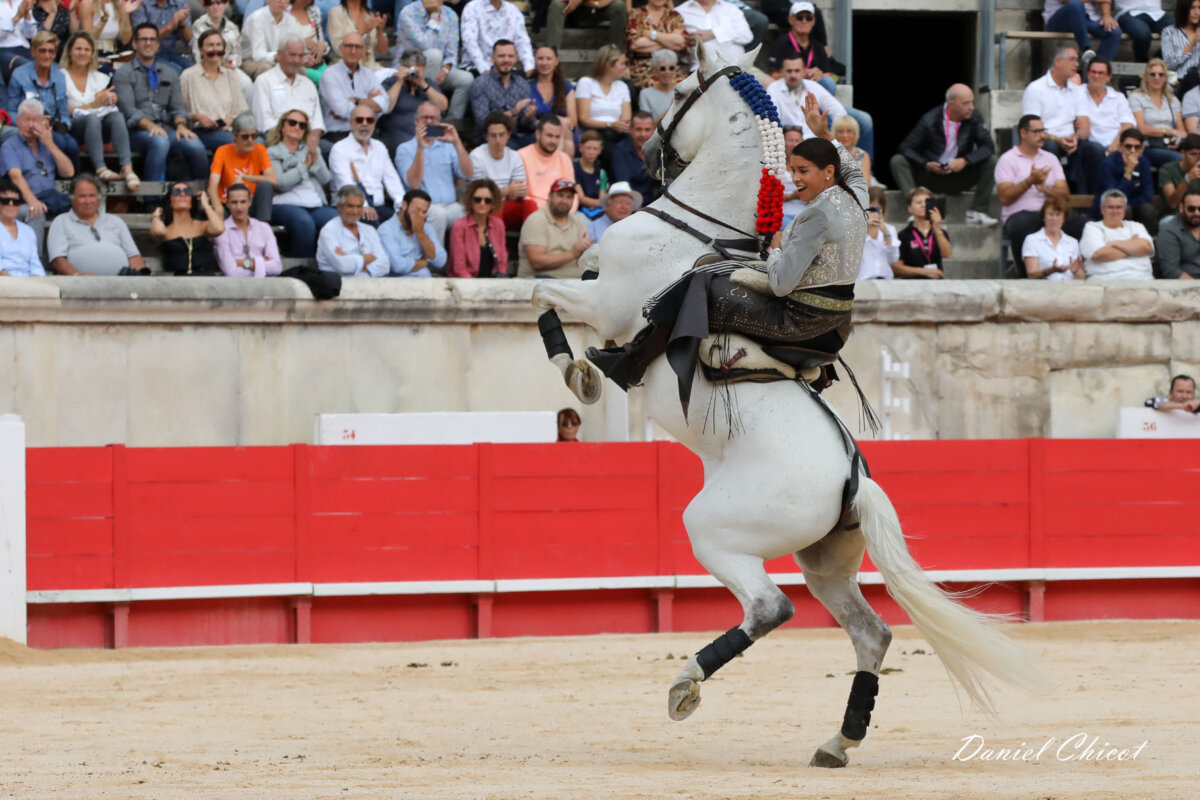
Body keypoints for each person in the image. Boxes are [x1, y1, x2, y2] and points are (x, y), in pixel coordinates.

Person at [586, 94, 865, 398]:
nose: (795, 179)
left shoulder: (816, 216)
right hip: (836, 323)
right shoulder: (856, 194)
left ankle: (634, 364)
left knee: (701, 284)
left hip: (800, 323)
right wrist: (823, 134)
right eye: (793, 170)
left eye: (803, 171)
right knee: (710, 265)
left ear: (827, 172)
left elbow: (781, 283)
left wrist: (776, 249)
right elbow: (845, 162)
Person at [891, 83, 998, 226]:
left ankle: (976, 212)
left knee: (992, 161)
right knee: (898, 161)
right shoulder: (930, 120)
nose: (971, 107)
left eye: (972, 102)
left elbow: (988, 146)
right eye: (966, 103)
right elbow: (906, 148)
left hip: (960, 175)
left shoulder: (974, 117)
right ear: (951, 104)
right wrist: (926, 164)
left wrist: (965, 160)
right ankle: (917, 209)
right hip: (931, 177)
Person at [114, 23, 208, 184]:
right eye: (143, 39)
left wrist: (181, 126)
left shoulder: (170, 73)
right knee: (160, 142)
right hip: (136, 131)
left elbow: (178, 107)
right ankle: (152, 198)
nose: (148, 43)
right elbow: (128, 110)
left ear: (158, 44)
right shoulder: (123, 73)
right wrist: (150, 126)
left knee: (195, 145)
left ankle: (203, 196)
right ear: (134, 44)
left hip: (168, 127)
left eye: (152, 39)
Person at [996, 114, 1086, 275]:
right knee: (1020, 226)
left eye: (1043, 131)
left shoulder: (1050, 158)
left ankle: (1079, 274)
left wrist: (1045, 189)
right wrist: (1028, 182)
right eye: (1036, 131)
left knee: (1084, 226)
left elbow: (1065, 195)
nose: (1042, 136)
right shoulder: (1008, 159)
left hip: (1052, 212)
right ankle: (1026, 275)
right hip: (1020, 215)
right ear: (1023, 133)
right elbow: (1005, 197)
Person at [1022, 43, 1106, 194]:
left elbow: (1085, 127)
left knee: (1095, 150)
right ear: (1057, 62)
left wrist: (1076, 137)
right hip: (1046, 140)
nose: (1077, 64)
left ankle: (1089, 202)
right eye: (1072, 59)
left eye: (1077, 60)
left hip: (1070, 140)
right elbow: (1032, 130)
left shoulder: (1077, 91)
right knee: (1050, 148)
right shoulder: (1036, 89)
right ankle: (1055, 197)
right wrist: (1057, 139)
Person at [61, 31, 138, 190]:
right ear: (69, 51)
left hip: (99, 127)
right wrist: (92, 106)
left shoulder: (99, 77)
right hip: (74, 127)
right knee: (92, 118)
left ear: (92, 54)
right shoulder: (60, 76)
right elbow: (62, 109)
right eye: (78, 49)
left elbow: (102, 107)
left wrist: (109, 100)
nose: (82, 53)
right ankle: (100, 167)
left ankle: (127, 167)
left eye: (87, 49)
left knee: (116, 116)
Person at [394, 101, 471, 243]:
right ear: (416, 121)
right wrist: (420, 148)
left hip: (450, 206)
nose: (429, 121)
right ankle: (435, 263)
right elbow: (413, 183)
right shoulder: (404, 149)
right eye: (425, 118)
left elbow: (468, 173)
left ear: (439, 122)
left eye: (433, 118)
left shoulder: (448, 147)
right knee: (438, 214)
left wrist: (457, 142)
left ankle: (464, 263)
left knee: (469, 211)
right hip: (422, 209)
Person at [1, 97, 73, 249]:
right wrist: (33, 201)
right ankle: (36, 266)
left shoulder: (47, 143)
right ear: (18, 121)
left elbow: (68, 172)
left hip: (50, 200)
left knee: (76, 211)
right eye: (27, 120)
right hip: (19, 202)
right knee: (35, 213)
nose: (31, 125)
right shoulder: (10, 146)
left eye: (35, 120)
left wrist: (49, 143)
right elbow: (16, 176)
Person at [266, 108, 337, 257]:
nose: (297, 127)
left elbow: (325, 179)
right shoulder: (271, 152)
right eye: (292, 123)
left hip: (314, 202)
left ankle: (333, 262)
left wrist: (315, 158)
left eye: (302, 125)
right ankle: (304, 265)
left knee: (335, 219)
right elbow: (280, 183)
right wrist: (304, 165)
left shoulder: (311, 149)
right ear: (283, 127)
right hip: (284, 203)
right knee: (304, 222)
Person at [6, 31, 80, 167]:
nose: (47, 56)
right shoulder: (19, 74)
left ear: (55, 53)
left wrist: (57, 124)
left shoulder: (60, 76)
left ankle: (71, 181)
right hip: (27, 128)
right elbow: (9, 112)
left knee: (73, 146)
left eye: (51, 51)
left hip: (52, 127)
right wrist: (35, 123)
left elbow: (64, 115)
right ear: (33, 52)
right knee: (61, 143)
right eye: (42, 51)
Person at [47, 173, 142, 275]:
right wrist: (78, 276)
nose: (88, 201)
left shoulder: (116, 221)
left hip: (121, 283)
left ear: (99, 198)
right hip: (80, 285)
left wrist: (137, 278)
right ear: (72, 199)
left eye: (92, 196)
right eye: (82, 196)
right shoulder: (61, 221)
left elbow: (134, 256)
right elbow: (57, 260)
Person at [396, 0, 474, 123]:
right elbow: (425, 45)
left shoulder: (451, 15)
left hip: (437, 71)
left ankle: (451, 122)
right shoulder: (408, 12)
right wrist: (434, 16)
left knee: (466, 79)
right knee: (434, 55)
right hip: (409, 70)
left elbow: (452, 53)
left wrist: (445, 69)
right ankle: (427, 115)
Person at [328, 102, 405, 224]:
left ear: (374, 124)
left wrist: (402, 204)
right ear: (351, 123)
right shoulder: (339, 149)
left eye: (369, 120)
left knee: (407, 222)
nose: (365, 124)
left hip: (379, 208)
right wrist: (362, 205)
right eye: (359, 120)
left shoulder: (380, 147)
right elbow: (345, 184)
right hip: (351, 208)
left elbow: (392, 180)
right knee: (373, 224)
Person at [252, 35, 326, 154]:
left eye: (300, 56)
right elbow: (264, 122)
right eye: (292, 55)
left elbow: (317, 122)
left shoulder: (308, 84)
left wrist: (312, 139)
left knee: (332, 149)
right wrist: (292, 138)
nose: (296, 60)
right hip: (277, 141)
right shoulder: (264, 81)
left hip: (307, 141)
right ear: (280, 54)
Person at [319, 32, 397, 144]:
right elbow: (342, 110)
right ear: (341, 49)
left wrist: (357, 101)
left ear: (363, 51)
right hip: (339, 135)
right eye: (349, 46)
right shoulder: (329, 75)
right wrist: (371, 103)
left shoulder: (368, 74)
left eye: (358, 47)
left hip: (366, 132)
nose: (353, 51)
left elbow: (384, 105)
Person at [182, 29, 249, 152]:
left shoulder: (231, 75)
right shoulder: (188, 76)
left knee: (258, 141)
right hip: (203, 131)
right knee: (233, 142)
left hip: (231, 128)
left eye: (219, 45)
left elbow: (242, 109)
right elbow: (179, 111)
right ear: (201, 49)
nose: (215, 50)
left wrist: (230, 120)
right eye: (210, 45)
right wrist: (197, 117)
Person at [469, 111, 534, 230]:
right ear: (486, 136)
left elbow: (520, 191)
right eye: (493, 135)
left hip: (507, 205)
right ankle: (497, 247)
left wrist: (515, 193)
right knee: (494, 207)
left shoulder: (515, 156)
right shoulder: (476, 156)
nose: (498, 140)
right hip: (484, 207)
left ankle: (531, 245)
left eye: (501, 135)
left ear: (508, 135)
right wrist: (508, 190)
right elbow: (479, 195)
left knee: (531, 205)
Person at [517, 177, 591, 277]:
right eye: (560, 196)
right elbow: (537, 262)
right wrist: (572, 254)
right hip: (541, 281)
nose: (564, 201)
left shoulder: (578, 221)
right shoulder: (536, 220)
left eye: (569, 197)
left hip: (573, 282)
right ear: (549, 197)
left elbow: (584, 259)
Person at [208, 112, 277, 218]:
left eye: (253, 136)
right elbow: (212, 185)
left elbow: (273, 180)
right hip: (229, 204)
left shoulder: (260, 149)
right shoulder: (222, 151)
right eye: (245, 136)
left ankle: (263, 228)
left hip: (251, 204)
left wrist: (244, 177)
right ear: (235, 136)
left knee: (266, 185)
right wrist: (217, 207)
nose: (250, 140)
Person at [468, 38, 535, 147]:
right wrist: (512, 113)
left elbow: (524, 124)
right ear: (492, 58)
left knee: (540, 142)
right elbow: (483, 122)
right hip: (490, 137)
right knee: (512, 147)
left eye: (510, 56)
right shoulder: (480, 84)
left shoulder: (522, 83)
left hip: (516, 135)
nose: (506, 60)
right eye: (501, 56)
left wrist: (529, 117)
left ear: (516, 58)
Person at [378, 48, 448, 151]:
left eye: (420, 68)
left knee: (447, 142)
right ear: (403, 68)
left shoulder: (428, 83)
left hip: (428, 136)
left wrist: (423, 84)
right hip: (399, 140)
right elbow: (386, 107)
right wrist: (399, 82)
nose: (414, 72)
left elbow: (443, 106)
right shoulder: (391, 82)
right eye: (411, 69)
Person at [151, 179, 224, 274]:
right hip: (178, 283)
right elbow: (158, 232)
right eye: (176, 192)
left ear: (191, 200)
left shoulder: (202, 226)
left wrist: (206, 205)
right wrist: (156, 215)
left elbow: (219, 228)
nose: (182, 194)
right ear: (170, 201)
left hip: (206, 280)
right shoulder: (166, 231)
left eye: (187, 191)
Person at [1091, 127, 1157, 232]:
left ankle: (1150, 242)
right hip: (1109, 210)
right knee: (1124, 209)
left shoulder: (1144, 163)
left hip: (1134, 208)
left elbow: (1147, 195)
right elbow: (1113, 196)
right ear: (1120, 146)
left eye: (1137, 147)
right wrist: (1129, 170)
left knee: (1147, 210)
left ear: (1142, 148)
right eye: (1128, 146)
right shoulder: (1108, 164)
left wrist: (1130, 203)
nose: (1132, 151)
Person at [317, 184, 390, 276]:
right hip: (339, 287)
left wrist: (352, 262)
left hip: (368, 286)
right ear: (339, 207)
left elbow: (385, 266)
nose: (355, 211)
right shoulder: (329, 231)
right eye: (350, 206)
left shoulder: (369, 230)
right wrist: (366, 259)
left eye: (359, 206)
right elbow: (342, 265)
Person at [1081, 188, 1155, 278]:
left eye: (1119, 207)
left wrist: (1113, 244)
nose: (1115, 211)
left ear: (1124, 209)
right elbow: (1098, 255)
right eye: (1110, 207)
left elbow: (1147, 248)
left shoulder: (1136, 226)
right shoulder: (1092, 227)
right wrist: (1133, 247)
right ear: (1102, 209)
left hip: (1142, 278)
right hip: (1105, 280)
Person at [766, 55, 845, 139]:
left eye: (797, 71)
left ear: (804, 71)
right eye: (789, 71)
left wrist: (831, 136)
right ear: (782, 72)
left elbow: (839, 111)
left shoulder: (814, 87)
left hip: (814, 142)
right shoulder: (773, 89)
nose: (793, 75)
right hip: (787, 143)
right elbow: (772, 120)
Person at [576, 43, 631, 160]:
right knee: (612, 150)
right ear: (609, 65)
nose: (625, 67)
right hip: (593, 133)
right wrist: (610, 124)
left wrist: (619, 126)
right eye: (622, 64)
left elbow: (626, 118)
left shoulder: (622, 86)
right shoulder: (586, 83)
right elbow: (583, 119)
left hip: (618, 133)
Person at [214, 182, 283, 277]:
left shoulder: (264, 228)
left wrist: (245, 263)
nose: (239, 207)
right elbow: (231, 272)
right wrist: (262, 262)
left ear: (249, 202)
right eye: (234, 202)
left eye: (243, 202)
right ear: (227, 204)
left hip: (265, 285)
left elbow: (277, 267)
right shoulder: (222, 231)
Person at [1129, 57, 1186, 166]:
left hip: (1171, 145)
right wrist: (1169, 131)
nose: (1157, 78)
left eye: (1161, 75)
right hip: (1148, 146)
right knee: (1181, 159)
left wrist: (1178, 139)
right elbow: (1141, 128)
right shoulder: (1136, 97)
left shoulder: (1173, 100)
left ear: (1165, 78)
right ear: (1146, 77)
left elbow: (1182, 131)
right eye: (1152, 74)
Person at [379, 187, 445, 277]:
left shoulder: (426, 228)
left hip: (426, 282)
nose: (420, 215)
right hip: (400, 284)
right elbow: (397, 265)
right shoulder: (386, 229)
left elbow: (440, 261)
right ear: (404, 205)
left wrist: (420, 233)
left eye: (424, 212)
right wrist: (424, 262)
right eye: (417, 210)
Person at [448, 177, 506, 277]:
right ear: (470, 201)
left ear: (493, 203)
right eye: (477, 199)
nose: (482, 203)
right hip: (466, 283)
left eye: (487, 200)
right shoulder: (459, 226)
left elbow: (502, 261)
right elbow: (459, 267)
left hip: (493, 282)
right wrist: (475, 287)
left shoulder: (498, 225)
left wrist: (499, 279)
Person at [459, 0, 534, 77]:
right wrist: (484, 70)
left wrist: (529, 67)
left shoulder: (513, 10)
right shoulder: (472, 7)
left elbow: (522, 41)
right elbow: (469, 42)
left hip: (506, 68)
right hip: (476, 68)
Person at [625, 0, 688, 89]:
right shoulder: (636, 14)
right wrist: (671, 40)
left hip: (671, 68)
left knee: (684, 86)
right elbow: (636, 44)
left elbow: (682, 42)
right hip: (643, 68)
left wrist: (652, 35)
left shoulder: (675, 16)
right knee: (653, 84)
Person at [893, 187, 951, 279]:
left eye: (927, 202)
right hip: (912, 284)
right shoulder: (904, 235)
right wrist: (924, 272)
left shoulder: (940, 231)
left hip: (937, 284)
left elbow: (946, 254)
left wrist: (937, 229)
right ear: (910, 208)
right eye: (918, 202)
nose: (923, 205)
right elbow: (896, 268)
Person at [528, 44, 576, 155]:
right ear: (535, 61)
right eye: (540, 58)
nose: (544, 63)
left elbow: (573, 119)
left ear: (556, 61)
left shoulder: (565, 86)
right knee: (563, 137)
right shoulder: (527, 86)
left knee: (566, 140)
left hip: (564, 132)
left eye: (549, 59)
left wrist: (562, 122)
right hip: (537, 133)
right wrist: (554, 122)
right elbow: (529, 121)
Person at [1022, 195, 1086, 280]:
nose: (1054, 219)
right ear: (1044, 217)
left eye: (1058, 215)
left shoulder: (1073, 242)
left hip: (1070, 288)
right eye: (1050, 214)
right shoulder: (1032, 240)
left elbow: (1081, 276)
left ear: (1064, 218)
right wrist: (1051, 270)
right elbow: (1031, 274)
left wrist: (1076, 271)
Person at [519, 113, 575, 208]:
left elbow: (572, 193)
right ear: (538, 134)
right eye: (549, 136)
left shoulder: (564, 158)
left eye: (557, 137)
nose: (553, 141)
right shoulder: (521, 156)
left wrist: (568, 211)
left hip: (563, 211)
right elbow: (522, 195)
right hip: (534, 212)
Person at [1081, 57, 1135, 154]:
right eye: (1093, 72)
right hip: (1089, 146)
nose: (1096, 76)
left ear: (1108, 77)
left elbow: (1128, 124)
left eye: (1101, 73)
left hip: (1115, 145)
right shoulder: (1077, 93)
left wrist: (1116, 143)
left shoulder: (1118, 97)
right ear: (1088, 74)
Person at [1043, 0, 1122, 65]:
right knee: (1076, 4)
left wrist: (1106, 16)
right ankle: (1086, 50)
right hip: (1060, 20)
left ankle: (1098, 70)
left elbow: (1105, 1)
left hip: (1087, 19)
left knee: (1113, 31)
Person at [674, 0, 752, 64]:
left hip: (739, 68)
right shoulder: (679, 12)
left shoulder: (731, 8)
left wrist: (713, 33)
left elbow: (746, 36)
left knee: (763, 81)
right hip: (702, 74)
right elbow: (678, 43)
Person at [768, 1, 831, 79]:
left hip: (814, 86)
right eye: (799, 18)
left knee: (828, 82)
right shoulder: (780, 44)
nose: (804, 21)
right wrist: (801, 75)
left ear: (814, 21)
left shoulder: (818, 46)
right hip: (790, 87)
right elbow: (774, 75)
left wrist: (818, 75)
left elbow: (828, 75)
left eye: (808, 18)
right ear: (791, 20)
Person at [130, 0, 194, 74]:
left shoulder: (180, 4)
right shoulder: (140, 4)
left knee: (194, 72)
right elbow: (145, 39)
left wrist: (183, 25)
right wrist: (171, 26)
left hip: (173, 52)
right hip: (148, 54)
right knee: (174, 73)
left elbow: (190, 41)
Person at [241, 0, 300, 79]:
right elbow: (258, 55)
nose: (282, 2)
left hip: (279, 60)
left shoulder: (291, 20)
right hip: (250, 60)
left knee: (300, 71)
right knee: (267, 70)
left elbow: (294, 46)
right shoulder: (256, 18)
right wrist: (278, 56)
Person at [610, 111, 660, 205]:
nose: (643, 134)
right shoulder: (620, 151)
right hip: (629, 206)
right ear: (630, 129)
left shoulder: (658, 150)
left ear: (653, 130)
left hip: (653, 206)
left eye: (647, 129)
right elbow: (624, 186)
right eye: (638, 129)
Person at [326, 0, 388, 73]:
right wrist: (361, 31)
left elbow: (382, 51)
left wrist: (379, 31)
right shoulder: (335, 12)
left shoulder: (370, 14)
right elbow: (338, 49)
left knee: (396, 76)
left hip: (371, 68)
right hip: (346, 70)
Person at [0, 176, 42, 276]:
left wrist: (37, 280)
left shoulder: (28, 231)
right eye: (5, 200)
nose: (11, 204)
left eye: (15, 201)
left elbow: (35, 263)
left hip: (28, 284)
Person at [545, 0, 626, 51]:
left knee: (619, 5)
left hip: (601, 9)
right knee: (556, 4)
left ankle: (616, 53)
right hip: (574, 10)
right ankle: (551, 53)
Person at [1154, 187, 1200, 277]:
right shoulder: (1169, 231)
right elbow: (1171, 271)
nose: (1197, 213)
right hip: (1187, 285)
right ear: (1181, 208)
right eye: (1191, 209)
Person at [858, 185, 896, 281]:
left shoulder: (890, 229)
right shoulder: (856, 229)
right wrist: (865, 229)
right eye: (870, 208)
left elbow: (893, 258)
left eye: (876, 208)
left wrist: (886, 233)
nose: (873, 212)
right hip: (862, 280)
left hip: (886, 280)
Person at [1163, 0, 1200, 97]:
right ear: (1184, 9)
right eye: (1193, 8)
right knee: (1193, 76)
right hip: (1179, 82)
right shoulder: (1169, 32)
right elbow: (1169, 65)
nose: (1197, 12)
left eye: (1199, 8)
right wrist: (1192, 43)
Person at [288, 0, 329, 83]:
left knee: (336, 79)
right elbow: (280, 44)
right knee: (325, 81)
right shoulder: (284, 13)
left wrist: (323, 45)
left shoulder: (314, 12)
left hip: (317, 61)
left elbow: (321, 41)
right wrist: (302, 43)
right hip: (297, 63)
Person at [573, 128, 607, 220]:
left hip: (598, 211)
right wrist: (602, 203)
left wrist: (602, 204)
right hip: (579, 212)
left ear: (600, 150)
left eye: (595, 149)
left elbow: (602, 196)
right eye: (588, 148)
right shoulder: (574, 168)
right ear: (580, 147)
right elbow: (581, 198)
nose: (591, 152)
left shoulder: (602, 173)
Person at [1158, 132, 1200, 206]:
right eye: (1193, 154)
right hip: (1173, 214)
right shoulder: (1167, 170)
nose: (1197, 158)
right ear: (1183, 153)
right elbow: (1172, 203)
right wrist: (1187, 180)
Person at [638, 49, 679, 123]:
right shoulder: (645, 94)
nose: (667, 72)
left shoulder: (681, 91)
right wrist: (671, 110)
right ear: (655, 70)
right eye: (662, 68)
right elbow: (647, 126)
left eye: (671, 68)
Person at [0, 1, 35, 84]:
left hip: (26, 49)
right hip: (4, 50)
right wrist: (17, 17)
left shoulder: (21, 2)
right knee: (29, 67)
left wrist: (26, 14)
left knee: (56, 70)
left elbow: (31, 34)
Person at [780, 125, 804, 228]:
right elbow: (769, 196)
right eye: (790, 140)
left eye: (797, 141)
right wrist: (791, 196)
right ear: (783, 142)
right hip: (781, 214)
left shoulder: (809, 165)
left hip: (805, 213)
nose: (794, 144)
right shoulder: (775, 166)